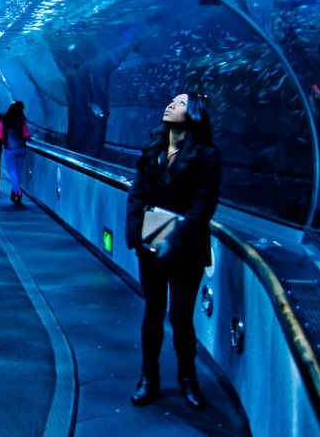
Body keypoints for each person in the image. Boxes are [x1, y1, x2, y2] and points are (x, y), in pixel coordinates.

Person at [125, 93, 221, 411]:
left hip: (186, 249)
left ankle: (187, 379)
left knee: (181, 317)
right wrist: (136, 239)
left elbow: (201, 209)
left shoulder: (207, 156)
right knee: (152, 312)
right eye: (171, 100)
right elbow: (136, 196)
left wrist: (172, 241)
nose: (170, 104)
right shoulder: (152, 151)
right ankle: (148, 378)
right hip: (150, 246)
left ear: (193, 113)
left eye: (180, 103)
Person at [0, 101, 30, 204]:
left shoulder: (4, 119)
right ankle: (14, 191)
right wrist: (30, 137)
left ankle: (17, 191)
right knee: (19, 170)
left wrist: (5, 141)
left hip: (9, 148)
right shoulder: (22, 119)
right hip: (21, 147)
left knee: (12, 170)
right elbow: (25, 134)